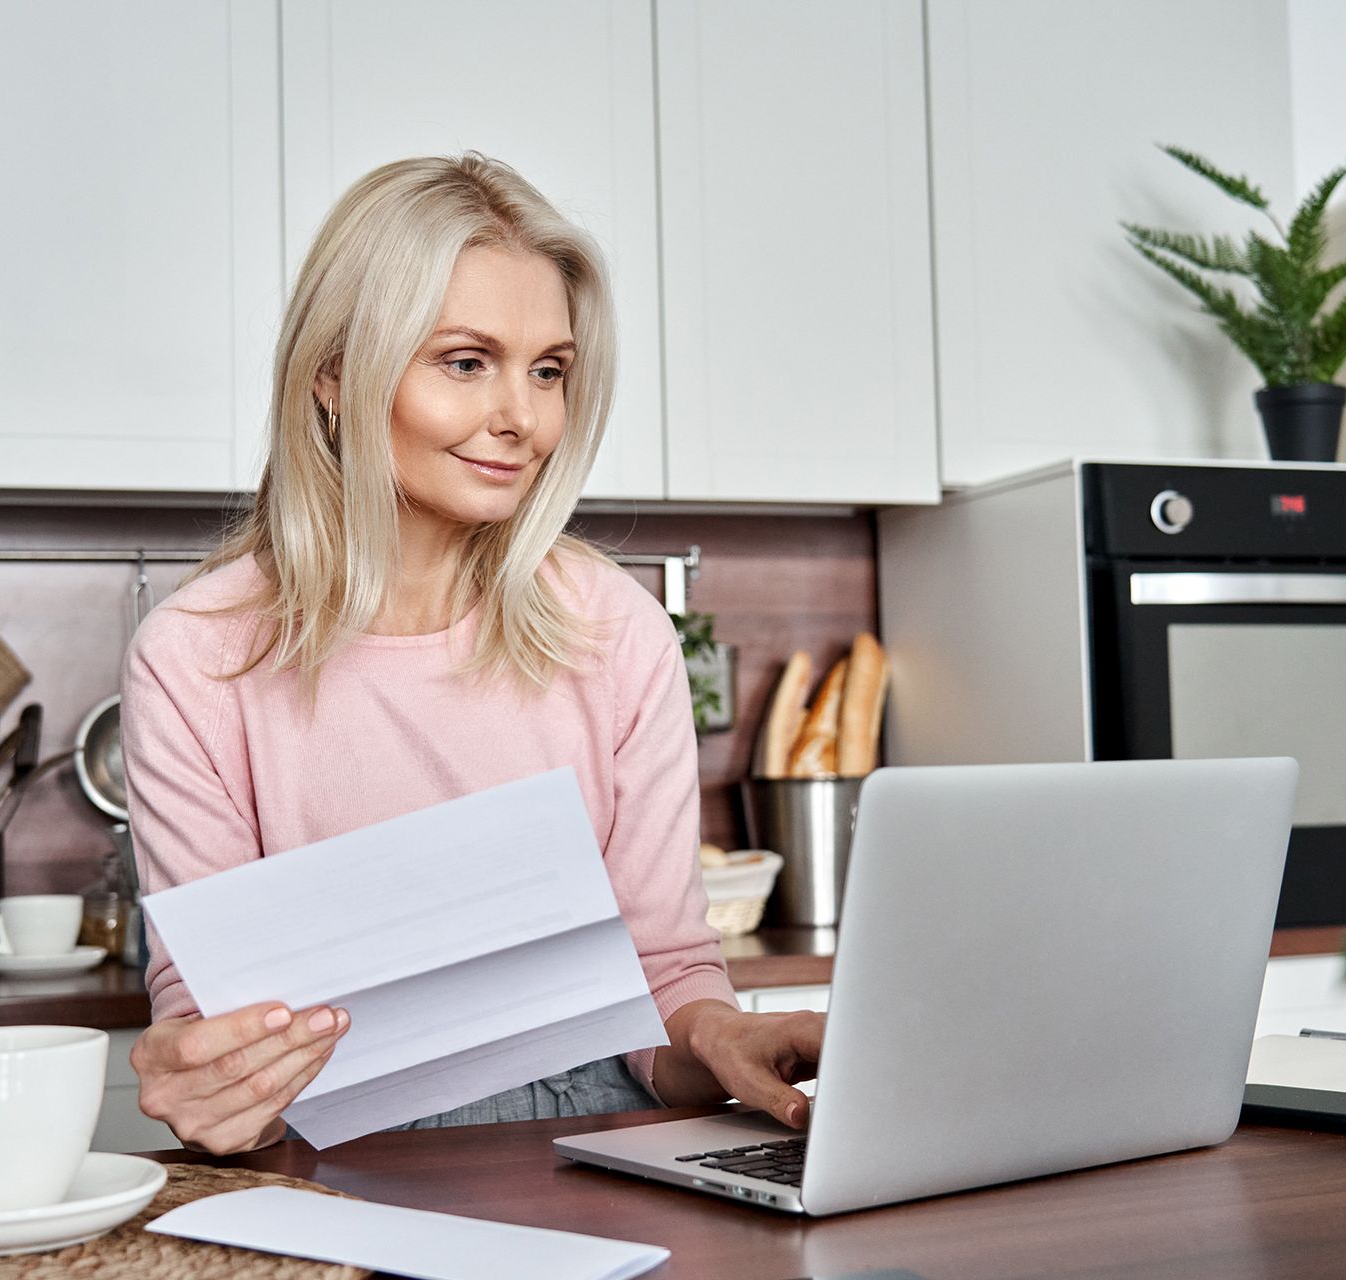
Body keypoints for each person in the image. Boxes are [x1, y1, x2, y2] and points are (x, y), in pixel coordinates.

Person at [122, 153, 823, 1155]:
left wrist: (720, 1038)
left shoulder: (616, 632)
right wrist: (211, 1076)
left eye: (549, 369)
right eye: (466, 361)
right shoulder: (197, 659)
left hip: (591, 1148)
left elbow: (663, 976)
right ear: (333, 373)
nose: (523, 418)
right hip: (328, 1160)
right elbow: (208, 1012)